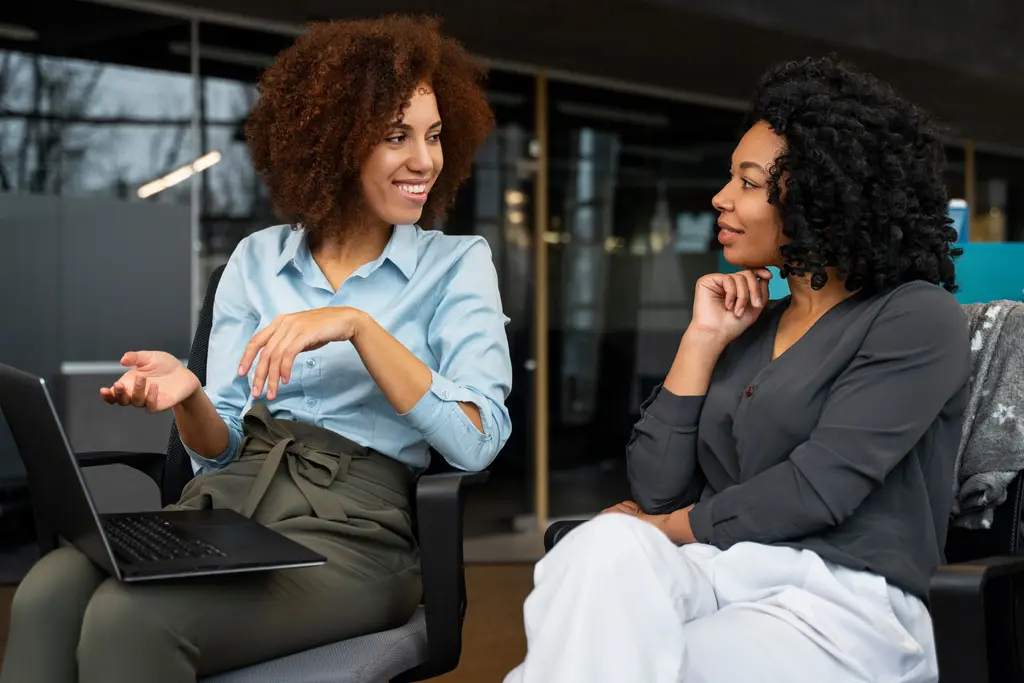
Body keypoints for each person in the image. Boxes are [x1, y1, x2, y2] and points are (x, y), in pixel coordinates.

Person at [2, 15, 511, 683]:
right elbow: (221, 450)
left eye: (435, 135)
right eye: (397, 136)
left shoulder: (457, 264)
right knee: (49, 589)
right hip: (228, 507)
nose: (426, 160)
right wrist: (190, 398)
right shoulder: (257, 260)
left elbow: (479, 440)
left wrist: (359, 326)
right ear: (335, 141)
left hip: (354, 535)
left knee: (131, 619)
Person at [505, 56, 970, 683]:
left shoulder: (915, 317)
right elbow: (655, 490)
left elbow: (817, 488)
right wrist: (701, 342)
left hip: (838, 604)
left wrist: (664, 528)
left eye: (749, 183)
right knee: (602, 547)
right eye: (732, 178)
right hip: (717, 571)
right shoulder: (750, 324)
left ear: (823, 201)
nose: (721, 198)